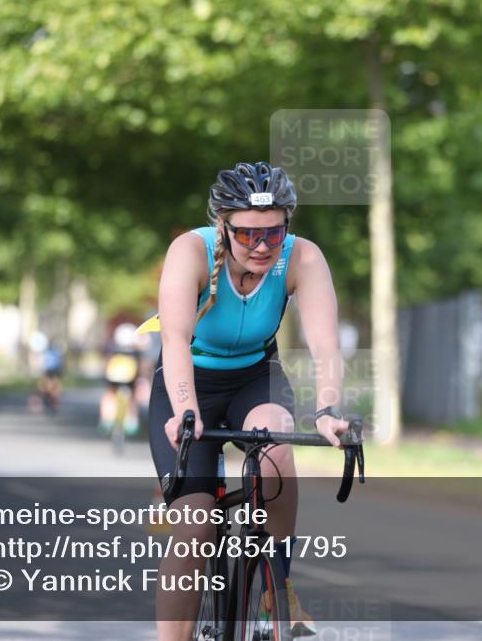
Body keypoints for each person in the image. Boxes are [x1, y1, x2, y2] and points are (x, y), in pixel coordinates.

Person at [149, 161, 348, 640]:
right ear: (223, 225)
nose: (261, 246)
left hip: (256, 378)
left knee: (275, 448)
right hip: (188, 382)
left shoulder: (301, 258)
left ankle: (277, 586)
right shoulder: (190, 251)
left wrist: (328, 409)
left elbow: (326, 344)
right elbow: (174, 341)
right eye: (246, 235)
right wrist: (186, 411)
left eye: (273, 234)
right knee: (194, 530)